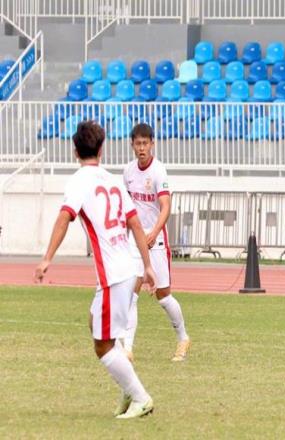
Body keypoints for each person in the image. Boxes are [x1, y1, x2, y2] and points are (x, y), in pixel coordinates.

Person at [34, 121, 157, 419]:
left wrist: (47, 258)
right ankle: (128, 383)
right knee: (95, 322)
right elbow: (135, 224)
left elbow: (65, 217)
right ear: (102, 150)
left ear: (75, 151)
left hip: (113, 275)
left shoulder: (79, 181)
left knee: (102, 347)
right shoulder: (113, 180)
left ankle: (140, 397)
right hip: (128, 269)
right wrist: (147, 266)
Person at [122, 123, 190, 362]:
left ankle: (183, 338)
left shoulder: (159, 171)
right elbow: (127, 208)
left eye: (145, 143)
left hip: (156, 240)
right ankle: (127, 348)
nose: (141, 148)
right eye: (137, 144)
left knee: (164, 296)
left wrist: (154, 232)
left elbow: (166, 206)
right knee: (131, 294)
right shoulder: (128, 172)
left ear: (152, 144)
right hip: (135, 241)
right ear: (132, 145)